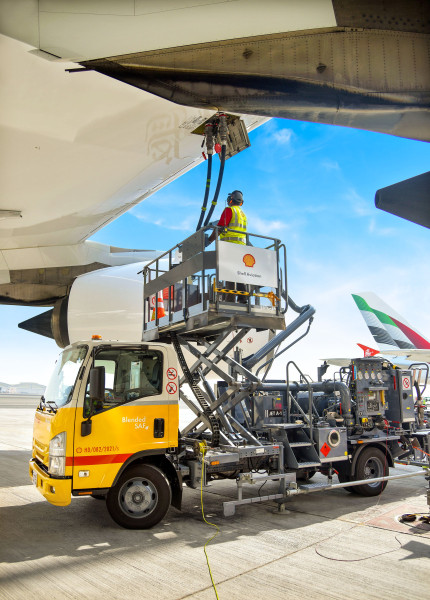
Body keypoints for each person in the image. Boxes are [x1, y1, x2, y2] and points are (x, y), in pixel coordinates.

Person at [208, 190, 247, 303]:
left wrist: (209, 240)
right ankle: (242, 298)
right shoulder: (242, 214)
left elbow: (220, 228)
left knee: (229, 272)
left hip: (230, 245)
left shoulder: (229, 210)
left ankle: (231, 299)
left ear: (230, 200)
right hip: (241, 246)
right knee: (237, 272)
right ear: (241, 202)